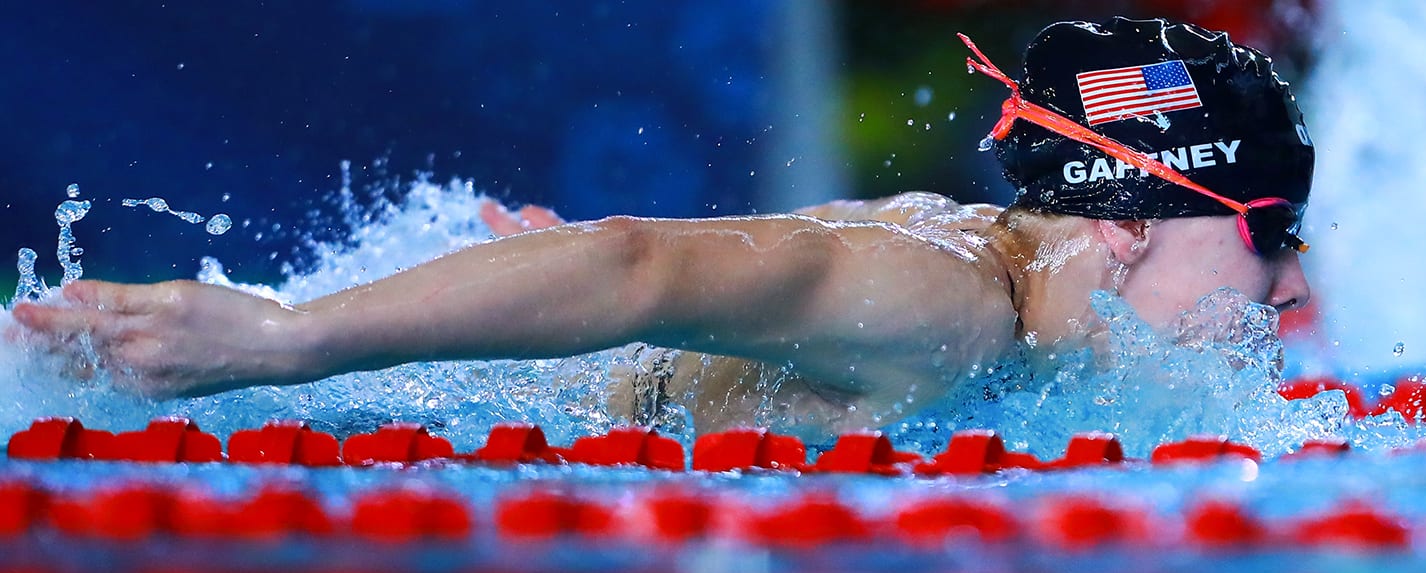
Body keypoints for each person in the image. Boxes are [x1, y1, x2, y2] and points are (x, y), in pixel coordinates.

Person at [12, 17, 1314, 439]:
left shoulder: (1004, 290)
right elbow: (641, 262)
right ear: (1135, 224)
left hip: (511, 379)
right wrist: (279, 339)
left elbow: (689, 277)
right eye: (1268, 227)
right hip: (394, 396)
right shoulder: (948, 301)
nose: (1291, 283)